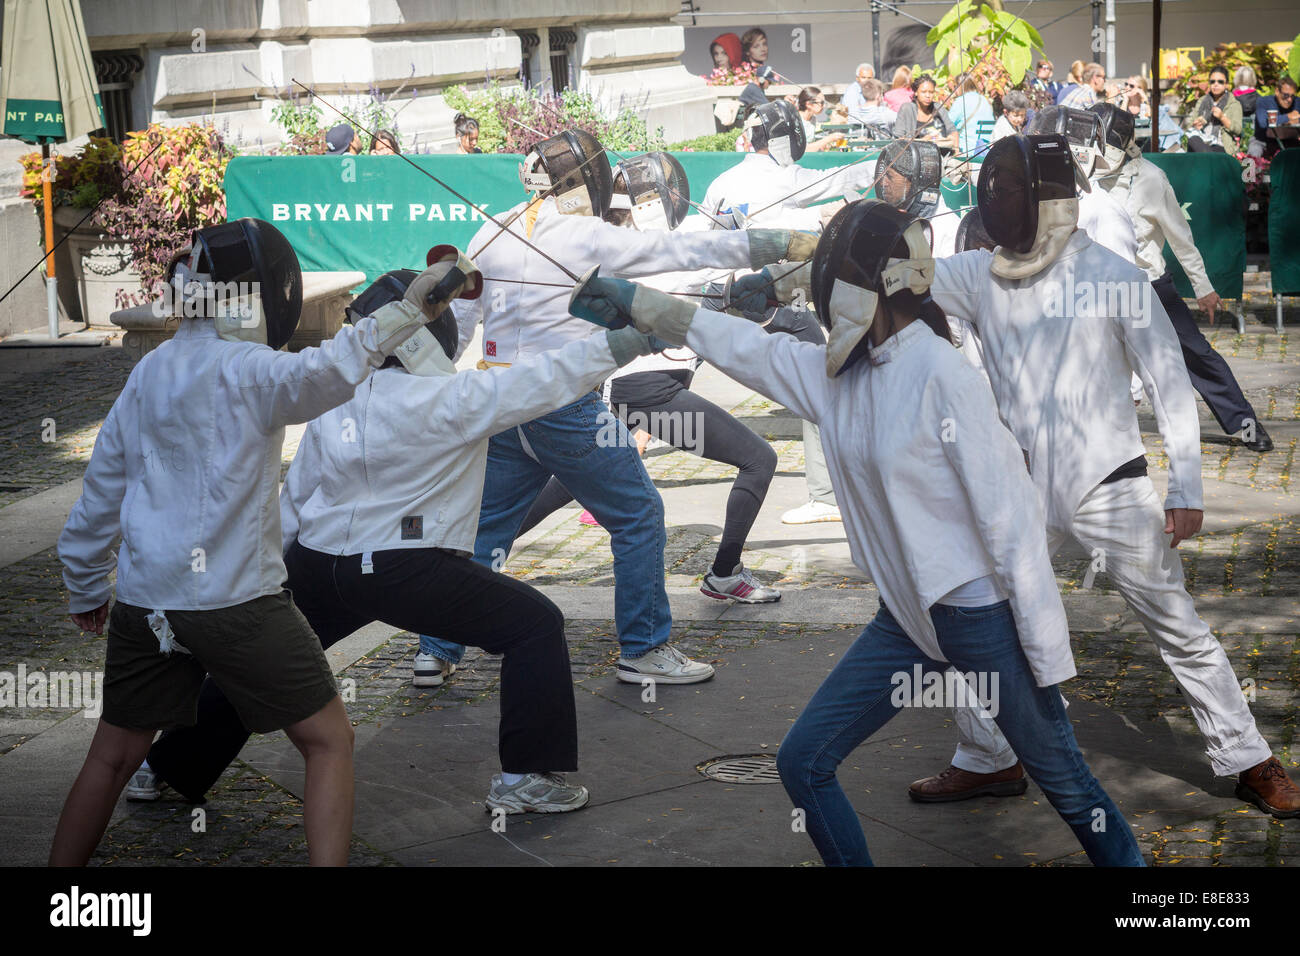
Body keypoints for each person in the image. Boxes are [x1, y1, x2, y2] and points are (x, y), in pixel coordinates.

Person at [567, 198, 1147, 868]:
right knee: (803, 763)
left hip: (978, 617)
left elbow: (1011, 521)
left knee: (1068, 785)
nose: (825, 289)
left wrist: (1044, 655)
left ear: (883, 283)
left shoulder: (944, 376)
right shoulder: (836, 377)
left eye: (840, 272)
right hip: (903, 616)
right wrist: (646, 306)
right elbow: (748, 348)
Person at [138, 255, 676, 813]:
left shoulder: (331, 399)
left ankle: (162, 768)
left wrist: (268, 574)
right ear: (428, 337)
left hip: (320, 564)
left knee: (263, 661)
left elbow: (295, 499)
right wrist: (635, 338)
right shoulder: (452, 399)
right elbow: (549, 379)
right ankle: (524, 781)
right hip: (405, 570)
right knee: (535, 625)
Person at [909, 134, 1300, 819]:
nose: (999, 204)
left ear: (1050, 200)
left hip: (1111, 490)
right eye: (993, 191)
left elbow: (1169, 381)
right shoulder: (979, 276)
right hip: (1020, 491)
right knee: (964, 616)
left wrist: (1186, 489)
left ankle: (1249, 759)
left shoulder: (1118, 278)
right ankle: (989, 757)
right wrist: (809, 251)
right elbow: (901, 276)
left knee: (1177, 625)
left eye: (1011, 192)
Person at [51, 219, 435, 864]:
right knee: (327, 740)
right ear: (259, 291)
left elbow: (102, 488)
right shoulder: (250, 369)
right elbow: (334, 369)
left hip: (148, 602)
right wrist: (410, 307)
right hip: (235, 600)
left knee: (113, 756)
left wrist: (86, 584)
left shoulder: (151, 371)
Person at [413, 128, 818, 689]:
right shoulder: (585, 234)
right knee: (639, 515)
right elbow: (680, 250)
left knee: (486, 526)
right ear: (587, 179)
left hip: (497, 402)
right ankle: (644, 649)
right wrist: (777, 245)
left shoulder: (491, 230)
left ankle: (435, 649)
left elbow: (456, 327)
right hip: (560, 404)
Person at [513, 153, 782, 604]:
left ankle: (465, 551)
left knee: (568, 483)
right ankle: (724, 574)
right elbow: (721, 276)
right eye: (669, 192)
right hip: (649, 394)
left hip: (627, 396)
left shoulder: (613, 244)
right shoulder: (648, 251)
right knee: (759, 460)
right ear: (652, 202)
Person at [1092, 102, 1273, 453]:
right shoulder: (1083, 176)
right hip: (1098, 287)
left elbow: (1181, 239)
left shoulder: (1151, 180)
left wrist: (1204, 289)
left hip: (1148, 286)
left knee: (1198, 355)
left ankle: (1245, 425)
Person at [893, 74, 959, 151]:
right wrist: (923, 141)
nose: (928, 95)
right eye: (923, 92)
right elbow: (899, 139)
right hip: (916, 157)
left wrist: (956, 151)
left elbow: (953, 131)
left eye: (931, 92)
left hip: (943, 155)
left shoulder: (939, 108)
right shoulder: (907, 109)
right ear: (916, 92)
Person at [1185, 66, 1242, 154]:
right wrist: (1195, 125)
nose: (1216, 84)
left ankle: (1209, 159)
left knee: (1204, 149)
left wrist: (1222, 117)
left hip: (1221, 145)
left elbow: (1238, 130)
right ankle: (1210, 160)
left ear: (1226, 84)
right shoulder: (1202, 101)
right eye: (1212, 81)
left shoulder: (1234, 104)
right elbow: (1190, 126)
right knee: (1193, 139)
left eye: (1220, 82)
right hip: (1201, 142)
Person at [1249, 76, 1299, 159]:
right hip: (1263, 141)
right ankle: (1251, 172)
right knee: (1254, 151)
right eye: (1286, 95)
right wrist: (1288, 117)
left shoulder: (1297, 101)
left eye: (1292, 96)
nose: (1289, 99)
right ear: (1277, 91)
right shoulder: (1264, 101)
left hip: (1289, 141)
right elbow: (1263, 123)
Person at [949, 74, 995, 154]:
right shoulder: (985, 100)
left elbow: (948, 124)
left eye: (955, 86)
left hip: (967, 151)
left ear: (960, 86)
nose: (954, 89)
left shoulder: (961, 101)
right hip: (985, 149)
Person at [797, 86, 837, 152]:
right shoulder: (796, 121)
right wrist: (829, 139)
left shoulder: (813, 119)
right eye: (821, 103)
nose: (823, 106)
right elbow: (803, 150)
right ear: (809, 104)